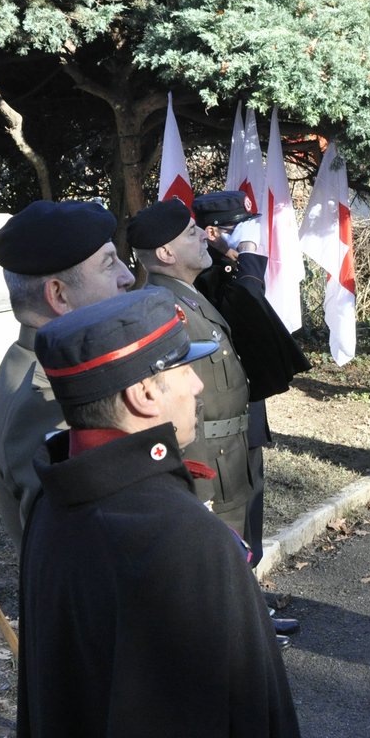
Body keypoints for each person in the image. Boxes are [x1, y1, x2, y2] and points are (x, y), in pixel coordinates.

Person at [14, 287, 340, 738]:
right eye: (180, 369)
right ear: (142, 394)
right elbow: (257, 724)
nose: (195, 385)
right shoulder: (186, 538)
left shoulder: (57, 506)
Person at [0, 199, 134, 545]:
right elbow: (81, 543)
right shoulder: (51, 398)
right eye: (108, 264)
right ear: (59, 295)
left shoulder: (31, 361)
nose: (127, 276)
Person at [128, 199, 256, 537]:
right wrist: (199, 489)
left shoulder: (187, 297)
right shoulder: (163, 310)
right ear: (167, 254)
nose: (204, 235)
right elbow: (171, 410)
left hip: (229, 460)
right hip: (209, 474)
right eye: (191, 232)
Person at [191, 191, 312, 545]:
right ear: (212, 233)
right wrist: (249, 266)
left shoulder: (234, 268)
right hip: (220, 418)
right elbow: (250, 312)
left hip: (247, 407)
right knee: (231, 521)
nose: (250, 237)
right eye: (239, 228)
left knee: (252, 505)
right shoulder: (209, 274)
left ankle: (252, 584)